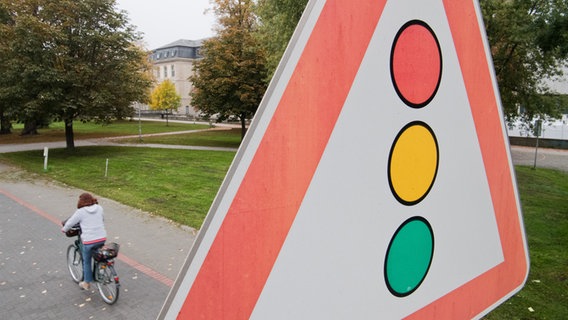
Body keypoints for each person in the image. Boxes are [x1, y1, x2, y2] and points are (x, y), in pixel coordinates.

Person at [62, 193, 107, 290]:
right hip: (102, 238)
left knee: (86, 261)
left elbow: (70, 222)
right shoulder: (99, 208)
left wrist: (64, 229)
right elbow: (102, 220)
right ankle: (102, 269)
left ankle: (87, 283)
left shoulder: (80, 212)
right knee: (99, 254)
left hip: (89, 241)